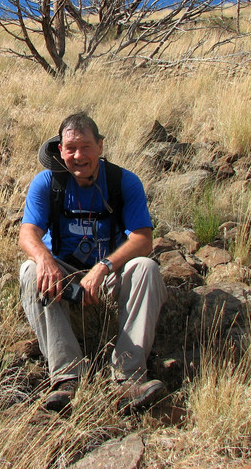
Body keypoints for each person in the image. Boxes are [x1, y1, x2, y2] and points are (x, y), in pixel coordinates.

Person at [19, 112, 168, 413]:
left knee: (146, 268)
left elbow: (143, 239)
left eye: (86, 147)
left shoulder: (123, 182)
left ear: (100, 146)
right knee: (30, 270)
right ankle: (67, 377)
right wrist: (46, 260)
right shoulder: (47, 182)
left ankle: (128, 378)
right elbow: (27, 233)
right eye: (70, 148)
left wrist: (103, 268)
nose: (78, 155)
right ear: (59, 149)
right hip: (66, 275)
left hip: (109, 275)